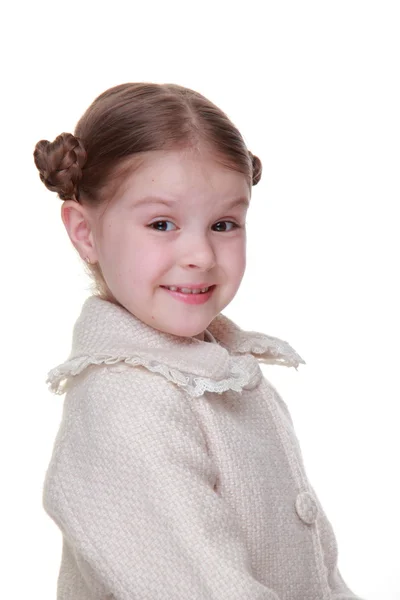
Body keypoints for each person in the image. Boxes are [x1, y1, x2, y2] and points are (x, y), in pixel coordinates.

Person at [34, 83, 364, 600]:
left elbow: (319, 572)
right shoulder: (125, 405)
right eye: (162, 223)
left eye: (223, 223)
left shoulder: (222, 371)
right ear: (85, 232)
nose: (201, 254)